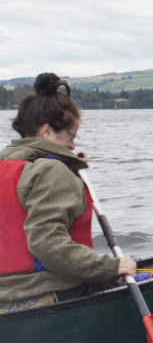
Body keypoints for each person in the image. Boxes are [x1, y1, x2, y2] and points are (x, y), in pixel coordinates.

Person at [0, 73, 136, 312]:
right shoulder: (52, 170)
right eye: (71, 136)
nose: (73, 145)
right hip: (47, 293)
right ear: (46, 132)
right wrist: (110, 268)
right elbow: (48, 244)